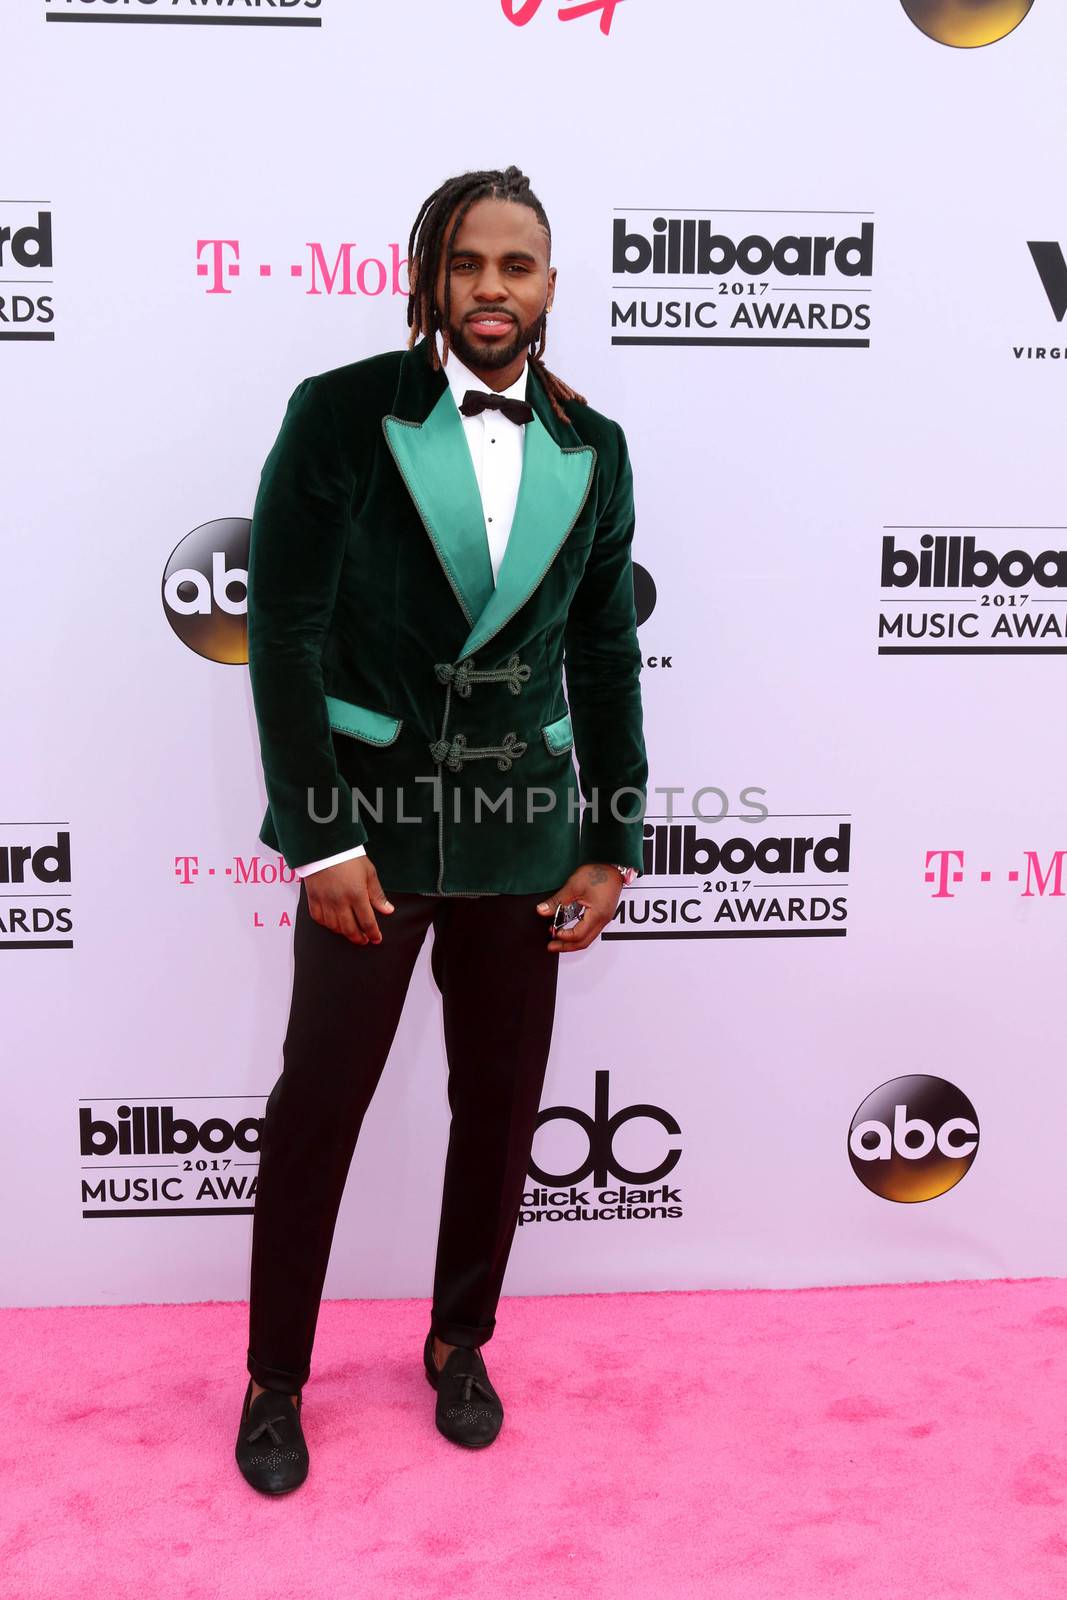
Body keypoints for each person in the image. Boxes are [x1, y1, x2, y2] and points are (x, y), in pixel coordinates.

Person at [235, 164, 648, 1494]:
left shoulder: (597, 446)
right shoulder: (343, 414)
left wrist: (613, 834)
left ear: (549, 285)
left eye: (516, 267)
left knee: (499, 1107)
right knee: (320, 1109)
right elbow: (284, 639)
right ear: (428, 275)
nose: (491, 290)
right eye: (468, 264)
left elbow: (604, 650)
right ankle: (274, 1381)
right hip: (371, 833)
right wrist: (321, 839)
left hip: (525, 836)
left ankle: (460, 1341)